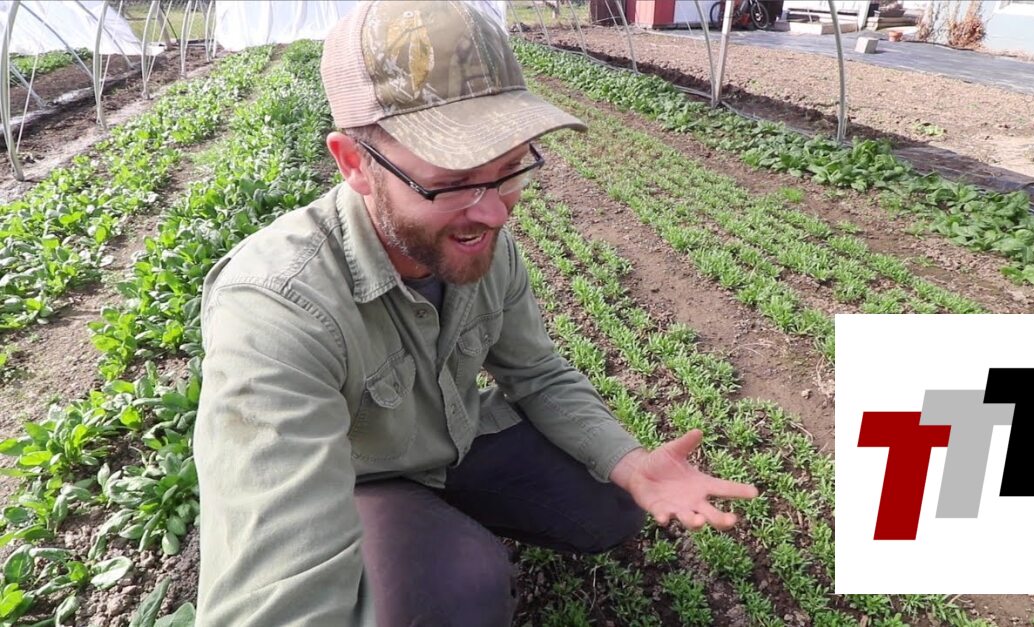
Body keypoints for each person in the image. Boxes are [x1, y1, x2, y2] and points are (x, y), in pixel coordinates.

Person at [194, 1, 758, 625]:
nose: (493, 213)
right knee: (460, 586)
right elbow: (273, 583)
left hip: (456, 441)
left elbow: (537, 373)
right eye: (456, 179)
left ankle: (437, 522)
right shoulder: (277, 306)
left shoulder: (482, 243)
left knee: (612, 501)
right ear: (355, 163)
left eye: (510, 169)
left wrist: (630, 462)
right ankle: (410, 533)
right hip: (362, 479)